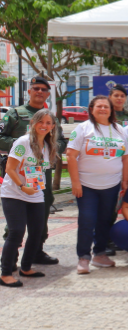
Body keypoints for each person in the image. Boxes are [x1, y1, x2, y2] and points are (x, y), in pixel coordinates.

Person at [0, 76, 66, 266]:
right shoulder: (15, 113)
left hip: (41, 172)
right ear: (28, 91)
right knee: (16, 220)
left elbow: (61, 142)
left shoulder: (51, 117)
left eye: (43, 89)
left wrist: (49, 147)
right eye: (35, 88)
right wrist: (26, 145)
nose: (39, 92)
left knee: (41, 212)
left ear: (47, 93)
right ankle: (10, 257)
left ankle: (36, 251)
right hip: (18, 170)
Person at [67, 95, 128, 274]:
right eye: (99, 106)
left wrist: (124, 181)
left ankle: (100, 254)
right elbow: (71, 155)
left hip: (111, 185)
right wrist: (75, 182)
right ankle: (83, 257)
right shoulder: (82, 128)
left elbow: (126, 157)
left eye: (106, 107)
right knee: (87, 220)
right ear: (91, 110)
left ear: (111, 110)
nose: (103, 109)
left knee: (105, 220)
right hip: (86, 185)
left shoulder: (120, 130)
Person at [0, 109, 58, 287]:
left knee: (36, 232)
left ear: (52, 127)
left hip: (35, 195)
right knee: (17, 232)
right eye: (41, 122)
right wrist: (22, 185)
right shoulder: (23, 142)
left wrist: (35, 186)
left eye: (48, 123)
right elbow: (10, 168)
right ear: (33, 123)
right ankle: (5, 273)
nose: (44, 126)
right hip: (14, 193)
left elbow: (39, 170)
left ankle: (26, 267)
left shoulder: (47, 146)